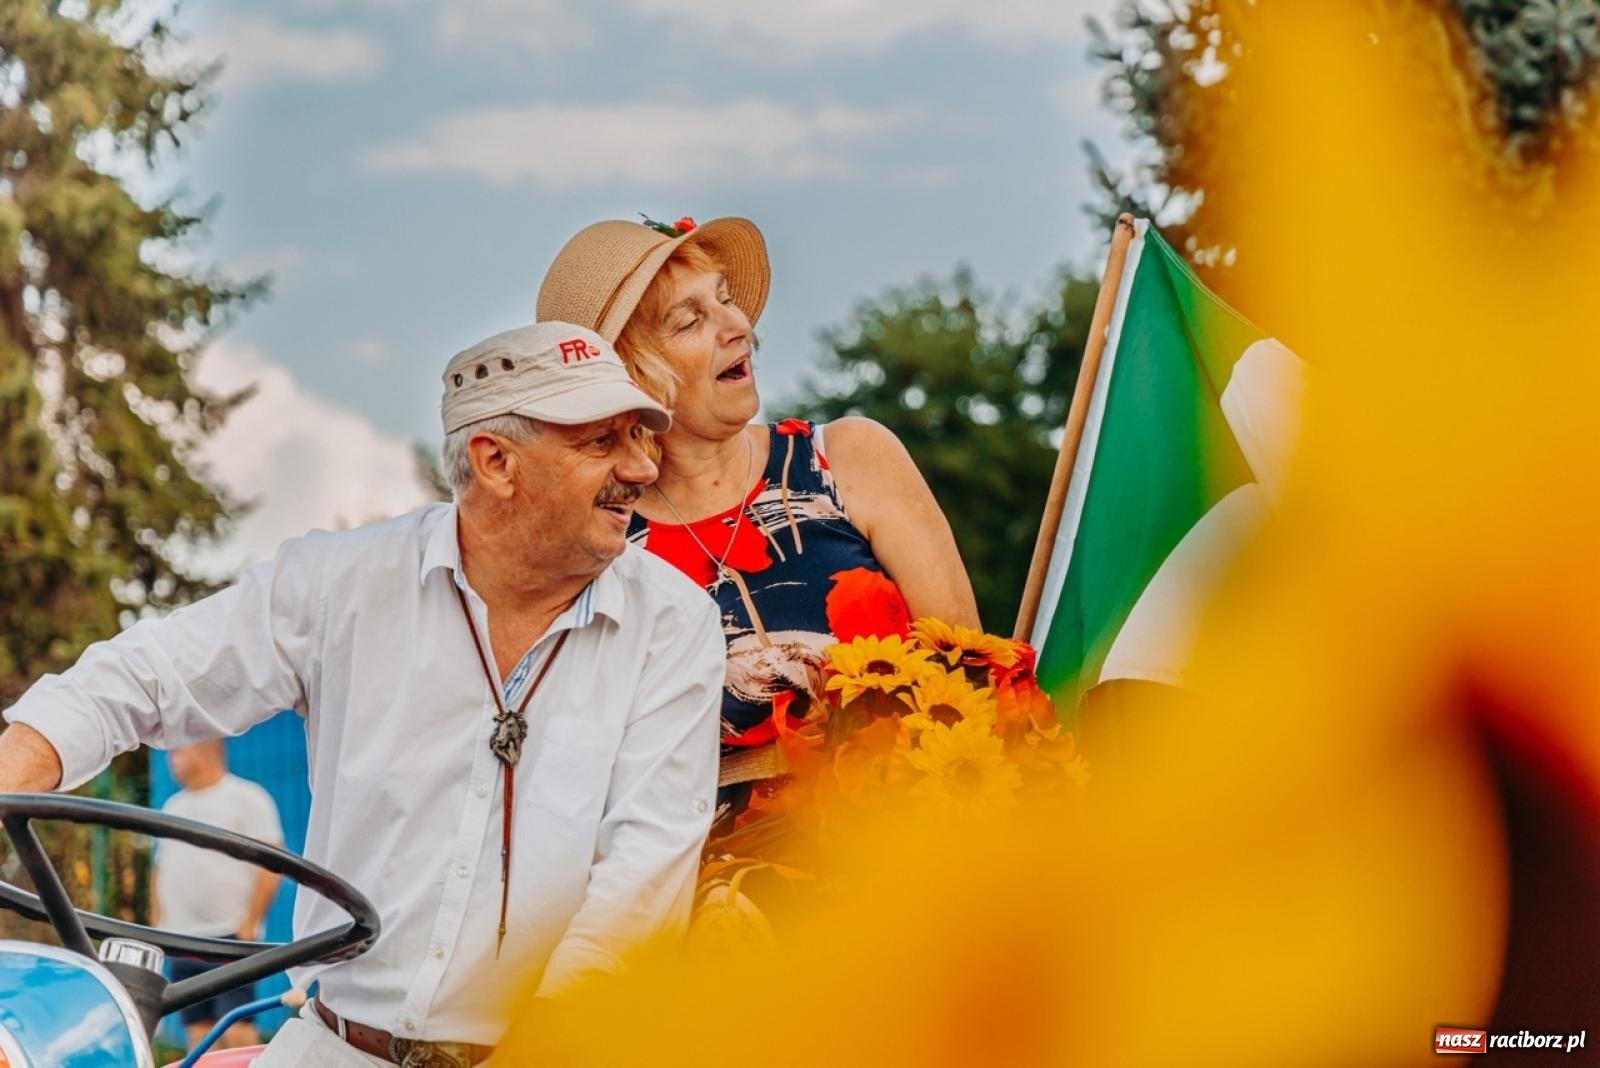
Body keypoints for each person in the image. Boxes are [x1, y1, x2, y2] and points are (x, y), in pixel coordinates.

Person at [0, 321, 725, 1066]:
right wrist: (13, 773)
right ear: (496, 460)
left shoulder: (674, 625)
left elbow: (638, 881)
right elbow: (142, 675)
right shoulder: (338, 582)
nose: (641, 468)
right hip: (336, 1047)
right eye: (601, 443)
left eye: (639, 437)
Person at [537, 217, 980, 820]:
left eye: (724, 299)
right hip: (702, 893)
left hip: (905, 860)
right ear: (628, 374)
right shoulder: (599, 544)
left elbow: (973, 675)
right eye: (691, 320)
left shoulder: (850, 458)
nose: (738, 326)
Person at [152, 740, 284, 1050]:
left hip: (228, 937)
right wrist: (159, 926)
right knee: (199, 1035)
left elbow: (272, 864)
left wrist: (250, 923)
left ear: (205, 751)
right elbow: (161, 869)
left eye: (178, 750)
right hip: (181, 940)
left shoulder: (247, 798)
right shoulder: (174, 806)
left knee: (237, 1030)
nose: (170, 758)